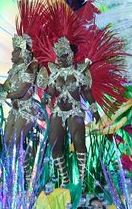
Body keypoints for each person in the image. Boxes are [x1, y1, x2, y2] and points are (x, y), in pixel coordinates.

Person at [44, 37, 96, 187]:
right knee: (54, 146)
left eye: (63, 55)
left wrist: (95, 112)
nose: (60, 59)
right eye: (58, 56)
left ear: (70, 55)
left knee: (79, 142)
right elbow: (51, 91)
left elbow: (87, 93)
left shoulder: (79, 72)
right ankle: (65, 180)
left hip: (75, 110)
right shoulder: (54, 74)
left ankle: (83, 180)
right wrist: (46, 97)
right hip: (58, 111)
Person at [0, 35, 40, 146]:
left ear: (21, 53)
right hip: (15, 110)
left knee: (15, 144)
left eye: (15, 50)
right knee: (6, 143)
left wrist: (0, 96)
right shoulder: (14, 71)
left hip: (26, 112)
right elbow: (4, 88)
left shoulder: (28, 70)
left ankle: (23, 163)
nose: (12, 53)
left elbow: (20, 93)